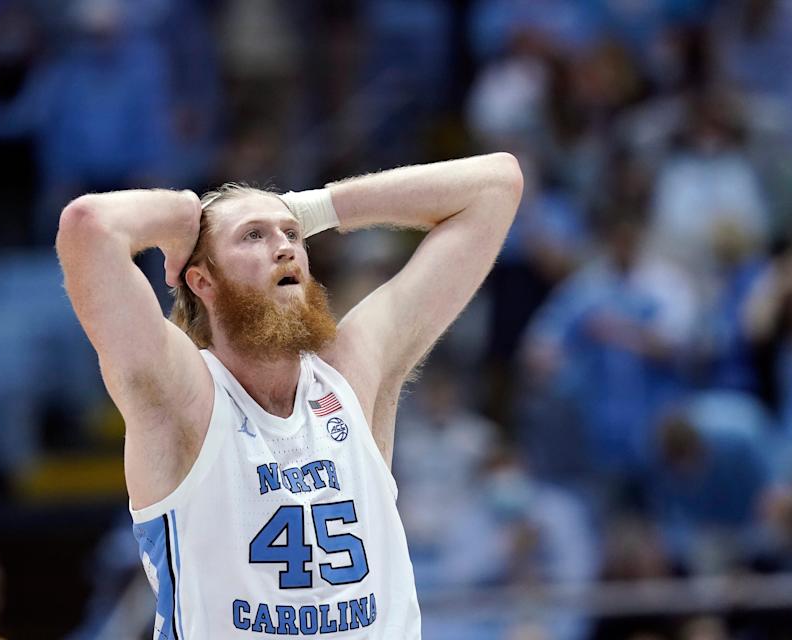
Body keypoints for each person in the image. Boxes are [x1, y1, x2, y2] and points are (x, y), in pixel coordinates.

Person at [55, 153, 523, 638]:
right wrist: (182, 215)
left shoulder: (352, 376)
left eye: (292, 234)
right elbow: (89, 226)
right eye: (253, 235)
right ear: (201, 280)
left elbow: (495, 186)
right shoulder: (183, 399)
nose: (285, 248)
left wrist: (316, 207)